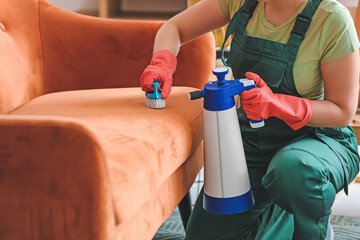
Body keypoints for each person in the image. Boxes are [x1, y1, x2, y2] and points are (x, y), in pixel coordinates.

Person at [140, 0, 360, 239]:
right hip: (251, 142)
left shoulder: (332, 19)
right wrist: (162, 63)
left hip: (315, 141)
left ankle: (311, 225)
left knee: (292, 170)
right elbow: (174, 28)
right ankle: (278, 212)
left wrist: (277, 104)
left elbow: (342, 112)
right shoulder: (240, 2)